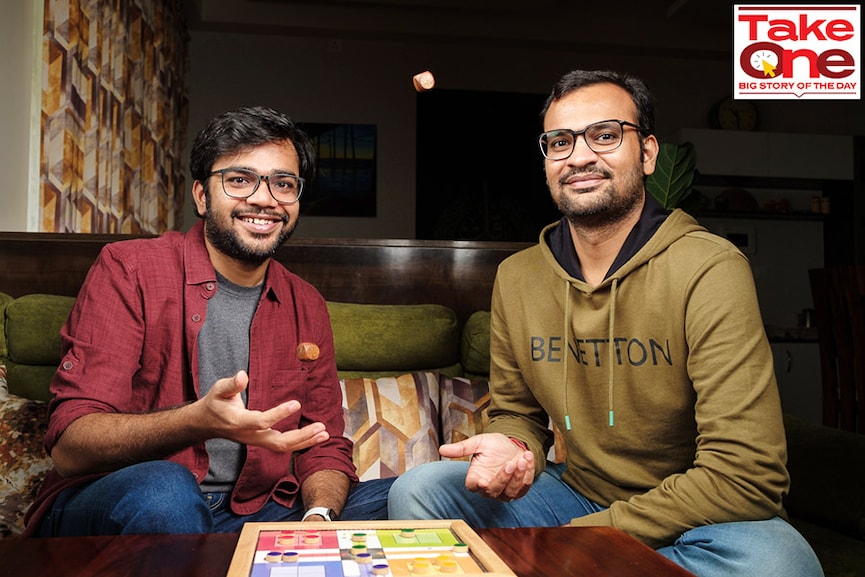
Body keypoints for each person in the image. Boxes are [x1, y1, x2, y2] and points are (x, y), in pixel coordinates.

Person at [387, 70, 823, 577]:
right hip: (576, 496)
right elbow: (516, 413)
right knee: (419, 491)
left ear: (648, 153)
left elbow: (749, 474)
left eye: (606, 135)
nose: (579, 156)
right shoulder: (519, 276)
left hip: (703, 523)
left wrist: (580, 541)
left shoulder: (709, 268)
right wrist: (515, 445)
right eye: (560, 142)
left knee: (779, 564)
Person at [25, 106, 394, 537]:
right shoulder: (129, 269)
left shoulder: (305, 303)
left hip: (259, 509)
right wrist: (197, 420)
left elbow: (323, 444)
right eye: (240, 180)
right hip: (124, 499)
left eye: (283, 183)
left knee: (415, 497)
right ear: (202, 196)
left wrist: (318, 519)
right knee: (167, 490)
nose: (264, 198)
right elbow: (71, 445)